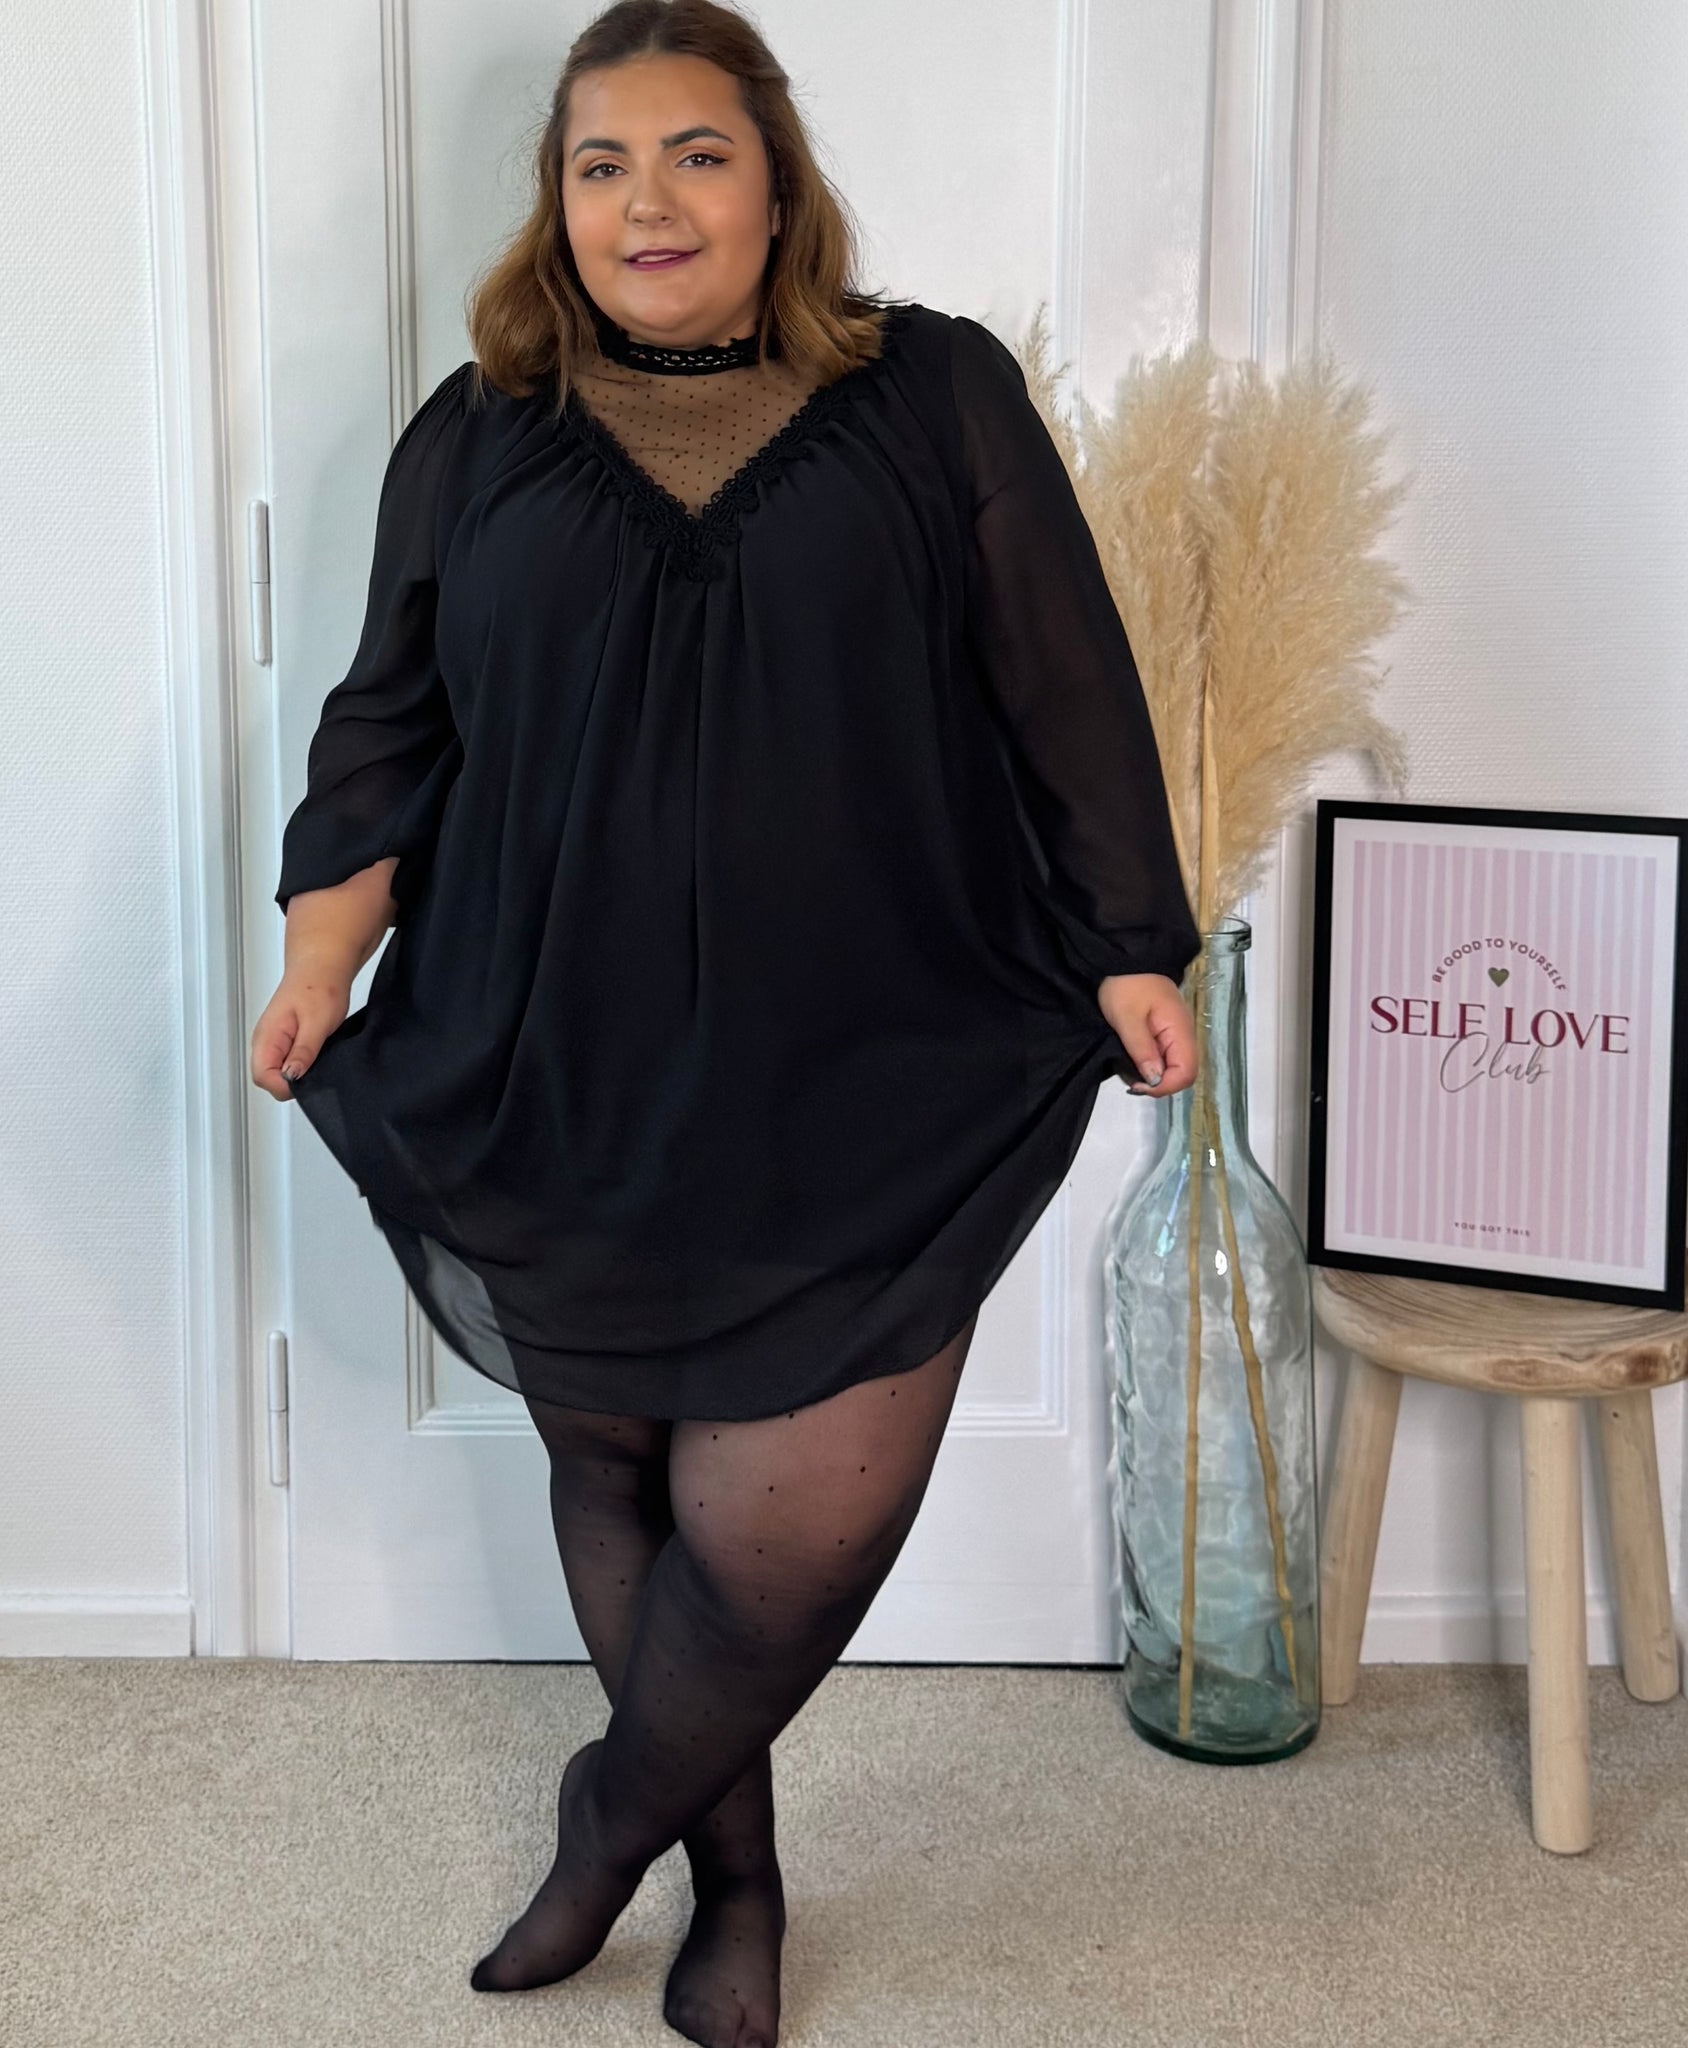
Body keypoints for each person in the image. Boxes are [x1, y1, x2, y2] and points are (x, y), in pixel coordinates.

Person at [249, 4, 1200, 2043]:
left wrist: (1131, 940)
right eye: (600, 164)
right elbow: (386, 728)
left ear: (777, 182)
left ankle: (610, 1815)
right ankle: (735, 1882)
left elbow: (1061, 677)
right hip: (551, 1040)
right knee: (615, 1468)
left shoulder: (933, 391)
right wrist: (322, 960)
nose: (646, 201)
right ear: (557, 204)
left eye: (695, 152)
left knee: (782, 1532)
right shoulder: (475, 433)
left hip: (864, 1040)